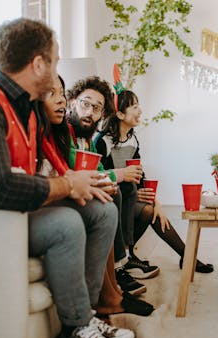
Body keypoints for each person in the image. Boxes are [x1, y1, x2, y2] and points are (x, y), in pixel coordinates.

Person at [0, 18, 134, 338]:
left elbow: (47, 171)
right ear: (38, 64)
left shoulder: (26, 109)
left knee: (102, 211)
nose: (59, 71)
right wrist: (67, 186)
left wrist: (79, 184)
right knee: (66, 223)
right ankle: (75, 330)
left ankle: (84, 314)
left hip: (13, 216)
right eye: (55, 61)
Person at [42, 75, 154, 317]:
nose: (90, 112)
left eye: (97, 108)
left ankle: (113, 286)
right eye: (85, 104)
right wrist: (113, 178)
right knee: (109, 199)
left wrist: (109, 181)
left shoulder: (89, 139)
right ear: (73, 102)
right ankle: (111, 290)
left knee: (116, 196)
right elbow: (74, 169)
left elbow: (99, 170)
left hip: (77, 194)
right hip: (62, 198)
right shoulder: (67, 133)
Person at [94, 86, 214, 280]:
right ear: (120, 114)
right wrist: (134, 191)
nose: (140, 110)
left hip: (128, 198)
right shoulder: (102, 142)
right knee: (147, 210)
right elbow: (101, 177)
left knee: (153, 211)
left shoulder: (132, 140)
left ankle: (186, 256)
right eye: (134, 106)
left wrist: (156, 202)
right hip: (111, 200)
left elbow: (140, 175)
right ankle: (128, 256)